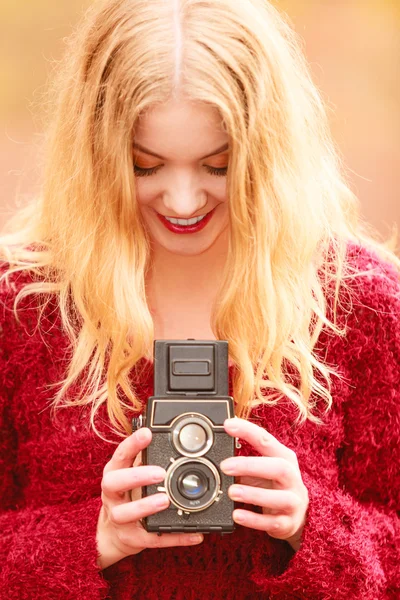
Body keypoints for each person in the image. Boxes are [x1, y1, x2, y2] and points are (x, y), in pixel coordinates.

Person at [0, 0, 399, 598]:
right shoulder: (21, 305)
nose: (183, 201)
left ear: (268, 153)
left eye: (219, 165)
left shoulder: (360, 303)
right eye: (143, 166)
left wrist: (311, 527)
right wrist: (87, 539)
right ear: (94, 153)